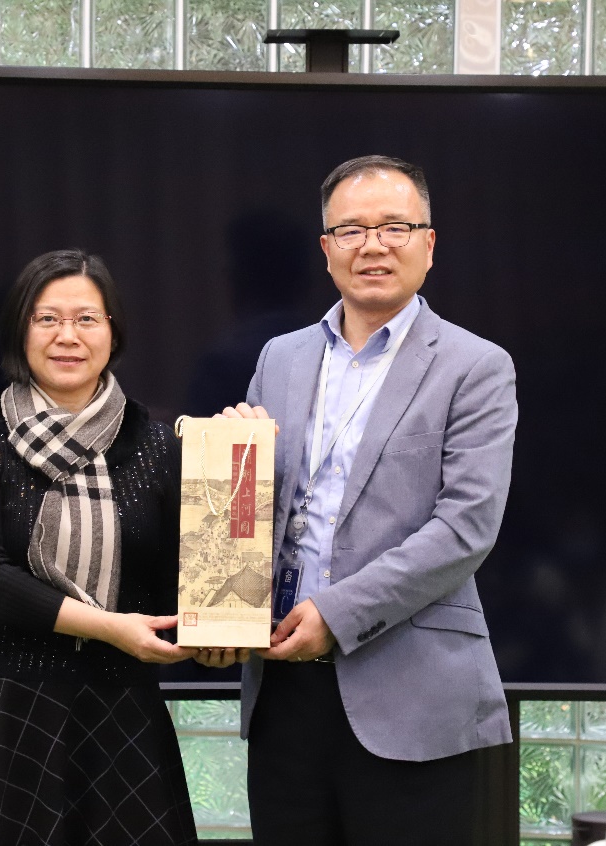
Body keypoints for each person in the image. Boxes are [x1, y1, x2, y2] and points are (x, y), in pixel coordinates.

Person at [201, 155, 517, 845]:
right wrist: (230, 479)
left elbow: (465, 528)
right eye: (351, 230)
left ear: (428, 244)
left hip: (411, 698)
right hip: (282, 690)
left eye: (394, 227)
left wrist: (336, 615)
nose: (372, 245)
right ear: (326, 249)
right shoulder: (278, 358)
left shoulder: (476, 366)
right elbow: (253, 512)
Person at [0, 249, 199, 846]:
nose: (68, 336)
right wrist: (109, 627)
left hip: (119, 716)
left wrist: (242, 459)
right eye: (47, 319)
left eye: (87, 318)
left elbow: (185, 583)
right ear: (21, 330)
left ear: (113, 332)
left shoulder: (160, 447)